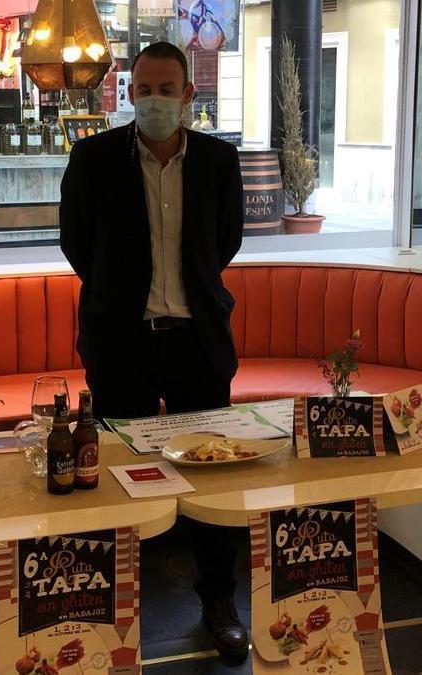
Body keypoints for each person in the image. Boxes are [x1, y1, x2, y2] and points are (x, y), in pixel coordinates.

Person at [59, 42, 246, 659]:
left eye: (167, 89)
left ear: (190, 95)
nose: (154, 100)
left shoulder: (220, 160)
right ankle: (111, 611)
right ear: (128, 93)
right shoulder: (93, 158)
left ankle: (219, 602)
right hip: (122, 344)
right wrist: (123, 295)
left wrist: (184, 290)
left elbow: (224, 243)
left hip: (197, 342)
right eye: (143, 89)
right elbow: (76, 245)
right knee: (115, 480)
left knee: (212, 478)